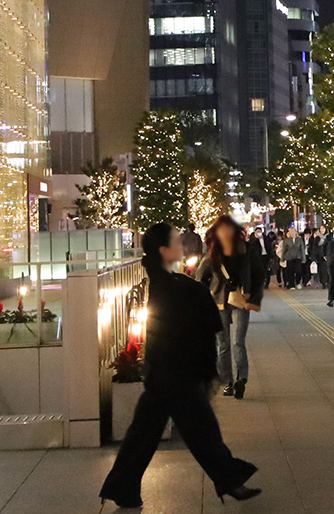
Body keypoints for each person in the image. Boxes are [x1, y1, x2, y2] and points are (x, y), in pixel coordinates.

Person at [100, 223, 261, 508]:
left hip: (168, 374)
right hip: (173, 374)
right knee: (200, 429)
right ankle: (229, 479)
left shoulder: (168, 281)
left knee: (152, 432)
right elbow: (178, 325)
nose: (182, 245)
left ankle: (123, 486)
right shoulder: (167, 284)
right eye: (176, 241)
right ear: (164, 250)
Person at [195, 216, 266, 399]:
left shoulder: (237, 251)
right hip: (230, 300)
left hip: (233, 299)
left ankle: (234, 381)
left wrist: (254, 296)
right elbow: (201, 276)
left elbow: (259, 273)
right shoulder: (219, 253)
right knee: (230, 343)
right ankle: (234, 380)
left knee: (231, 342)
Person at [312, 225, 331, 293]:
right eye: (321, 229)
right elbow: (314, 248)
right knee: (322, 270)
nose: (322, 230)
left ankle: (328, 282)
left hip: (327, 256)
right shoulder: (317, 238)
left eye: (323, 228)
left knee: (328, 270)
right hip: (320, 257)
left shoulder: (328, 237)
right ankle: (323, 283)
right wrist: (314, 257)